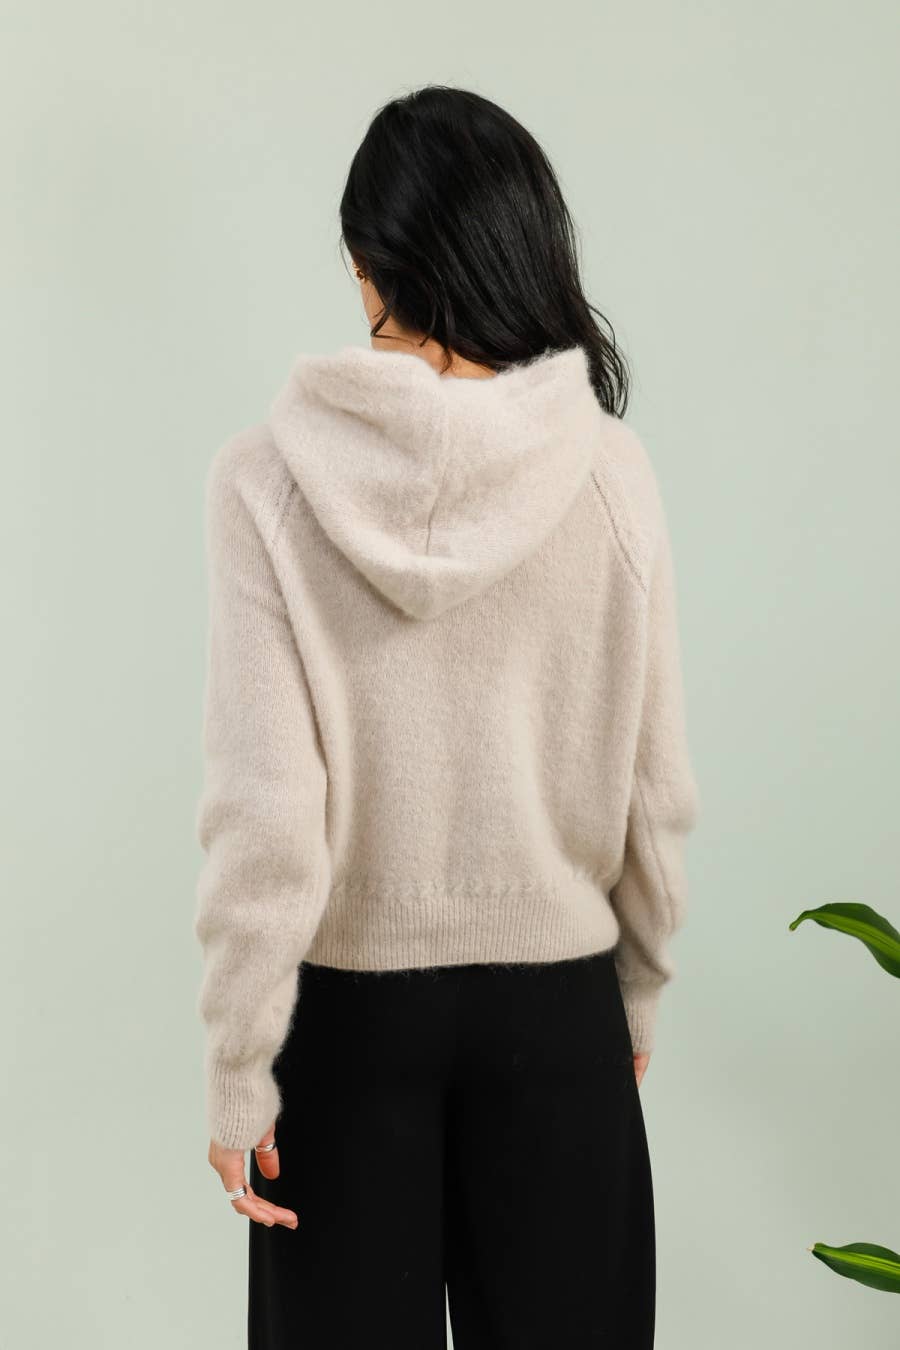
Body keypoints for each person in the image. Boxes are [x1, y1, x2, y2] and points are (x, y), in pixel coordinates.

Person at [193, 83, 700, 1350]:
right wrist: (638, 991)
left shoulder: (266, 481)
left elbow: (265, 814)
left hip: (345, 1026)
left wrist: (241, 1065)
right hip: (559, 1013)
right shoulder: (610, 471)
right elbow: (656, 786)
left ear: (367, 268)